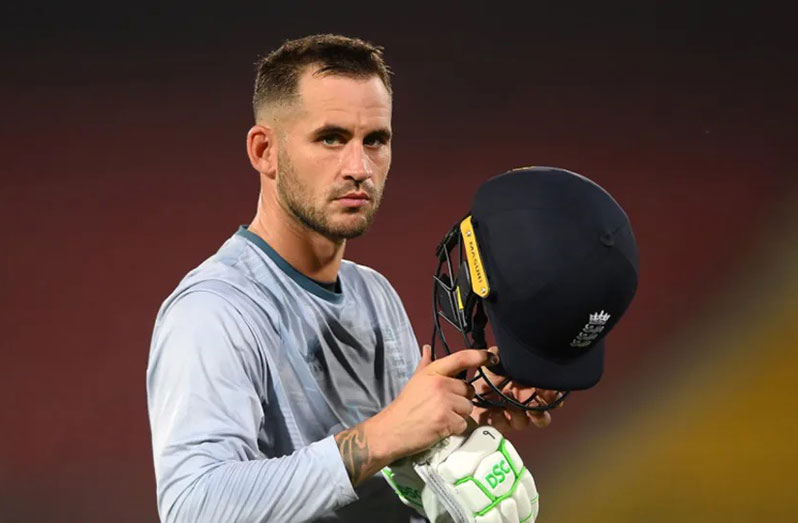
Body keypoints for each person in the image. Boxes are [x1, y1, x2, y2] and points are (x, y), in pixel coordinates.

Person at [146, 34, 554, 523]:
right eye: (331, 138)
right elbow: (193, 506)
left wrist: (463, 415)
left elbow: (401, 460)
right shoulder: (214, 310)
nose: (359, 168)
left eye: (375, 140)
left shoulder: (374, 295)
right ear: (264, 151)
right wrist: (384, 434)